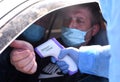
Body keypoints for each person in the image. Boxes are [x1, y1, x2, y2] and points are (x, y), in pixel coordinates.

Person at [0, 2, 108, 82]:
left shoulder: (98, 65)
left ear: (94, 30)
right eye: (67, 19)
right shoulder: (49, 47)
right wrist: (16, 64)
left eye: (79, 21)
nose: (70, 25)